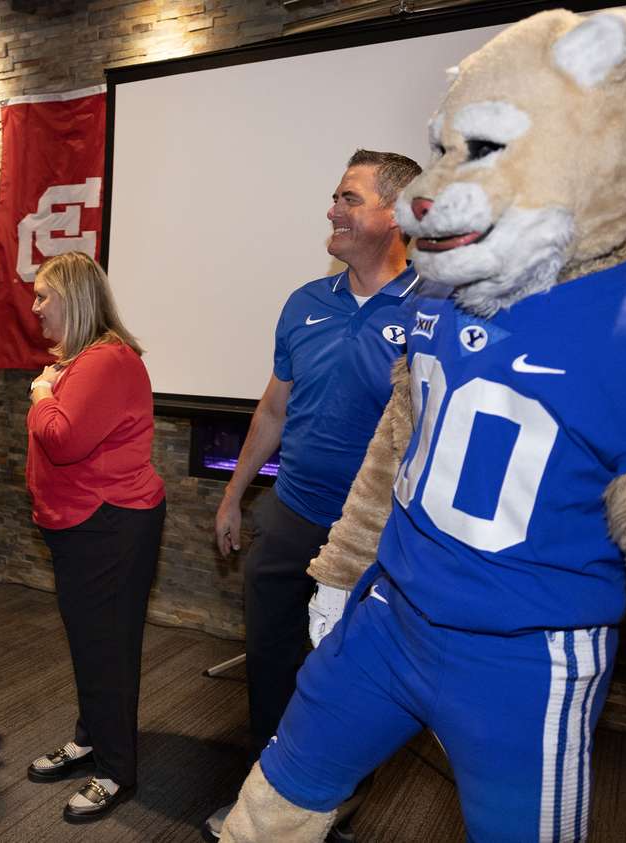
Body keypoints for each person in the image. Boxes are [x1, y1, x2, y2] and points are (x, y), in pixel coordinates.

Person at [205, 150, 421, 841]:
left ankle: (330, 807)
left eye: (350, 198)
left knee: (353, 680)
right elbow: (272, 411)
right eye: (335, 195)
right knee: (271, 663)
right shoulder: (304, 303)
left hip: (374, 538)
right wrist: (235, 495)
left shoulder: (431, 312)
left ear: (396, 215)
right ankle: (268, 806)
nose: (333, 209)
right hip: (290, 514)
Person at [24, 251, 167, 823]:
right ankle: (91, 738)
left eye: (42, 295)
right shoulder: (79, 361)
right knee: (90, 643)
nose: (33, 307)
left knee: (105, 646)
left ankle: (114, 770)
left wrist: (40, 396)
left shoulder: (107, 361)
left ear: (73, 299)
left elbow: (62, 439)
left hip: (110, 524)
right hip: (82, 523)